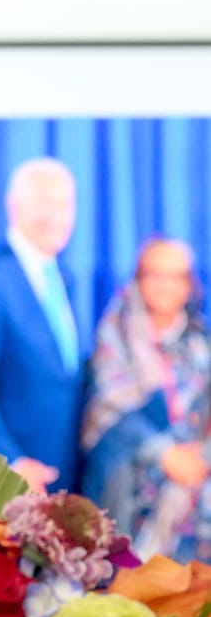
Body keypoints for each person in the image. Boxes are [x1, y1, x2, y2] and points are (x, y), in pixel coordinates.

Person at [0, 157, 86, 493]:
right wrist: (13, 461)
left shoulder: (65, 277)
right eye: (45, 204)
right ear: (14, 206)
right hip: (10, 483)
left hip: (66, 479)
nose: (56, 216)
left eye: (64, 205)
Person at [82, 239, 211, 560]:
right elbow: (110, 410)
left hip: (191, 503)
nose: (165, 285)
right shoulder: (114, 336)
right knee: (130, 582)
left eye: (176, 276)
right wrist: (165, 454)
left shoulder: (201, 340)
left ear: (189, 285)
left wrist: (198, 457)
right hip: (129, 493)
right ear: (138, 280)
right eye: (155, 274)